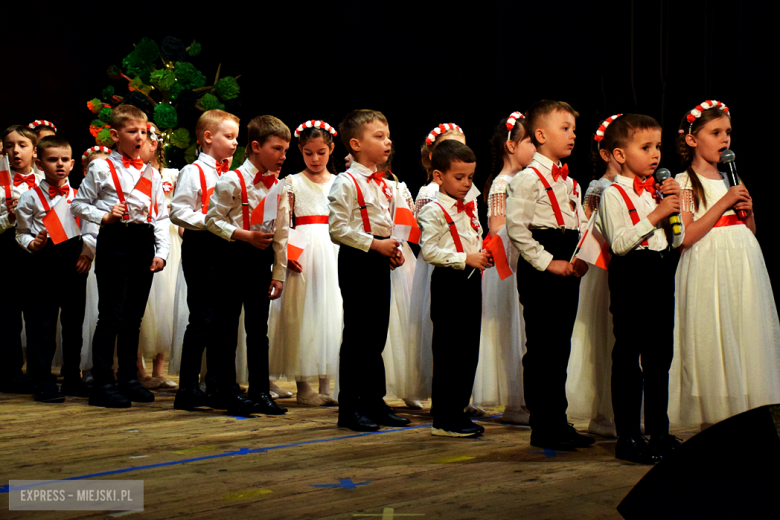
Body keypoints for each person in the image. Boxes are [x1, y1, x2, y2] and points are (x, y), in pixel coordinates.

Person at [670, 100, 780, 428]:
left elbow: (748, 229)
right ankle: (712, 409)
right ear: (692, 139)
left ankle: (747, 404)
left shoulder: (733, 177)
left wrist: (748, 210)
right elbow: (686, 235)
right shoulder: (685, 182)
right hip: (708, 262)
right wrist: (725, 202)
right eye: (715, 132)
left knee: (743, 325)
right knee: (711, 330)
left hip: (743, 261)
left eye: (728, 133)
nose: (724, 140)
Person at [505, 100, 593, 450]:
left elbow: (581, 225)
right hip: (542, 266)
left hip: (567, 262)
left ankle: (559, 419)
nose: (572, 134)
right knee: (542, 348)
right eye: (565, 128)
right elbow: (517, 229)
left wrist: (582, 256)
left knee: (560, 347)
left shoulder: (571, 183)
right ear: (540, 135)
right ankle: (542, 424)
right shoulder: (527, 179)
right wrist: (547, 261)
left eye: (573, 128)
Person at [71, 104, 171, 408]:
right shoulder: (102, 168)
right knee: (112, 316)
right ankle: (103, 381)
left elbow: (161, 215)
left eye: (144, 132)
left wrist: (162, 252)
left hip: (142, 241)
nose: (140, 137)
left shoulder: (151, 172)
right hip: (115, 240)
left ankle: (129, 378)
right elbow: (77, 204)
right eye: (132, 131)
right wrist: (104, 215)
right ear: (115, 134)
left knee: (133, 318)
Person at [598, 113, 684, 463]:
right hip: (632, 274)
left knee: (659, 355)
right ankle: (629, 436)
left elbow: (676, 238)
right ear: (620, 155)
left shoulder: (656, 191)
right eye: (645, 147)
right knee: (629, 355)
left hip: (661, 272)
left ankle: (658, 432)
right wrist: (655, 214)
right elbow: (619, 243)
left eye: (658, 147)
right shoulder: (612, 194)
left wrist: (675, 209)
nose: (655, 155)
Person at [328, 109, 409, 432]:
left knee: (376, 334)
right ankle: (349, 407)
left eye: (388, 136)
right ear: (355, 144)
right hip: (357, 259)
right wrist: (376, 245)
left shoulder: (387, 184)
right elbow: (338, 228)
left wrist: (392, 250)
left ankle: (374, 401)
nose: (387, 142)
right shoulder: (345, 182)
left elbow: (388, 224)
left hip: (377, 258)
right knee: (358, 335)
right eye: (379, 137)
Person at [205, 114, 289, 416]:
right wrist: (243, 235)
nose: (282, 156)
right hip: (233, 258)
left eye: (284, 151)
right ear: (255, 146)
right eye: (277, 149)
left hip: (259, 261)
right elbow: (212, 220)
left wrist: (279, 272)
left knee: (258, 329)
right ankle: (227, 390)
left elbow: (281, 232)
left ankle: (260, 391)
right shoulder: (231, 180)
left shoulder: (278, 186)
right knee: (226, 328)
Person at [418, 139, 493, 437]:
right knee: (449, 351)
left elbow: (474, 235)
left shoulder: (469, 205)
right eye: (459, 177)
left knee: (467, 350)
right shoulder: (433, 210)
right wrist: (466, 258)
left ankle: (459, 410)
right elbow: (429, 251)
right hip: (449, 283)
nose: (466, 184)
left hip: (471, 283)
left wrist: (482, 252)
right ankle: (444, 417)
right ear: (439, 176)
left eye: (470, 178)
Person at [15, 135, 96, 402]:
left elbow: (90, 228)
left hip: (74, 263)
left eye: (64, 160)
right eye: (52, 160)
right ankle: (42, 380)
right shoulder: (29, 197)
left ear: (72, 164)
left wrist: (87, 252)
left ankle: (72, 377)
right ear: (39, 161)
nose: (59, 165)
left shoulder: (79, 196)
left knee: (73, 323)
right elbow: (21, 232)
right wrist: (32, 244)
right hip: (43, 264)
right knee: (43, 325)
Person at [268, 120, 341, 406]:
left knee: (331, 314)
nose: (314, 159)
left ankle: (326, 383)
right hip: (304, 252)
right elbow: (283, 223)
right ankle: (303, 386)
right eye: (308, 153)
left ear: (331, 149)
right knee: (303, 315)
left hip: (333, 249)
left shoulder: (338, 182)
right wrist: (284, 256)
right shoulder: (291, 182)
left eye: (321, 153)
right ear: (300, 150)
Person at [170, 109, 238, 410]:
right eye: (229, 136)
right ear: (208, 138)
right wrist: (212, 221)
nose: (235, 143)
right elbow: (179, 211)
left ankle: (218, 383)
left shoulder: (229, 174)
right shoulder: (193, 172)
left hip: (225, 249)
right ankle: (187, 388)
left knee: (224, 319)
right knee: (202, 318)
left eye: (236, 137)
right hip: (201, 247)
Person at [477, 112, 535, 424]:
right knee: (513, 328)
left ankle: (525, 399)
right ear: (511, 146)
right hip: (509, 263)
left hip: (522, 257)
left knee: (524, 330)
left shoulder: (521, 180)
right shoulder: (502, 183)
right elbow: (498, 226)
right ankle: (515, 403)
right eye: (530, 142)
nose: (536, 148)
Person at [566, 115, 622, 437]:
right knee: (604, 337)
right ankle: (603, 412)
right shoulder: (599, 187)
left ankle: (621, 409)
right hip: (603, 269)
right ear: (607, 153)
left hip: (628, 265)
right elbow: (588, 227)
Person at [406, 123, 467, 410]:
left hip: (463, 262)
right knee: (440, 330)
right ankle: (441, 396)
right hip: (439, 264)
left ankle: (458, 396)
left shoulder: (465, 188)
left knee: (460, 334)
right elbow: (424, 236)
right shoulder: (430, 193)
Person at [137, 122, 180, 389]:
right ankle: (138, 369)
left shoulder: (172, 174)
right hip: (144, 236)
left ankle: (159, 371)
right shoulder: (131, 174)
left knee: (165, 306)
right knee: (146, 306)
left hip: (170, 240)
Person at [0, 125, 42, 394]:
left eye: (22, 145)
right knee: (9, 315)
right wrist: (10, 218)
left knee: (39, 315)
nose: (16, 150)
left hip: (39, 255)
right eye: (9, 145)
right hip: (7, 253)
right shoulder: (0, 183)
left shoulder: (45, 181)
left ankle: (40, 370)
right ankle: (11, 371)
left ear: (35, 151)